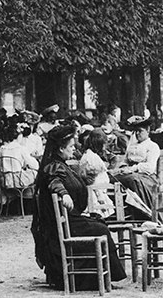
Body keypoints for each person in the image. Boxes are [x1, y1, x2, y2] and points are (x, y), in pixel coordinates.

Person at [31, 123, 127, 289]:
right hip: (62, 224)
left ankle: (99, 275)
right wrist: (64, 194)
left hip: (71, 218)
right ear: (61, 149)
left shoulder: (61, 164)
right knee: (100, 229)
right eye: (70, 146)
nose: (73, 149)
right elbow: (55, 182)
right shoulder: (53, 167)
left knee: (98, 222)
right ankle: (93, 278)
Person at [110, 116, 159, 221]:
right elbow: (125, 161)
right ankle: (121, 210)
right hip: (130, 174)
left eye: (140, 131)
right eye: (135, 131)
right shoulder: (131, 146)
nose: (137, 134)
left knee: (133, 179)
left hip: (146, 176)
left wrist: (132, 169)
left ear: (148, 130)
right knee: (112, 178)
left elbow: (150, 167)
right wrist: (122, 168)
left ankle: (145, 212)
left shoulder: (152, 146)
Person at [77, 128, 114, 218]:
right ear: (98, 144)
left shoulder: (91, 154)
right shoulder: (91, 158)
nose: (105, 147)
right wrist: (100, 196)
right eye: (104, 145)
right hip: (96, 193)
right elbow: (94, 181)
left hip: (100, 190)